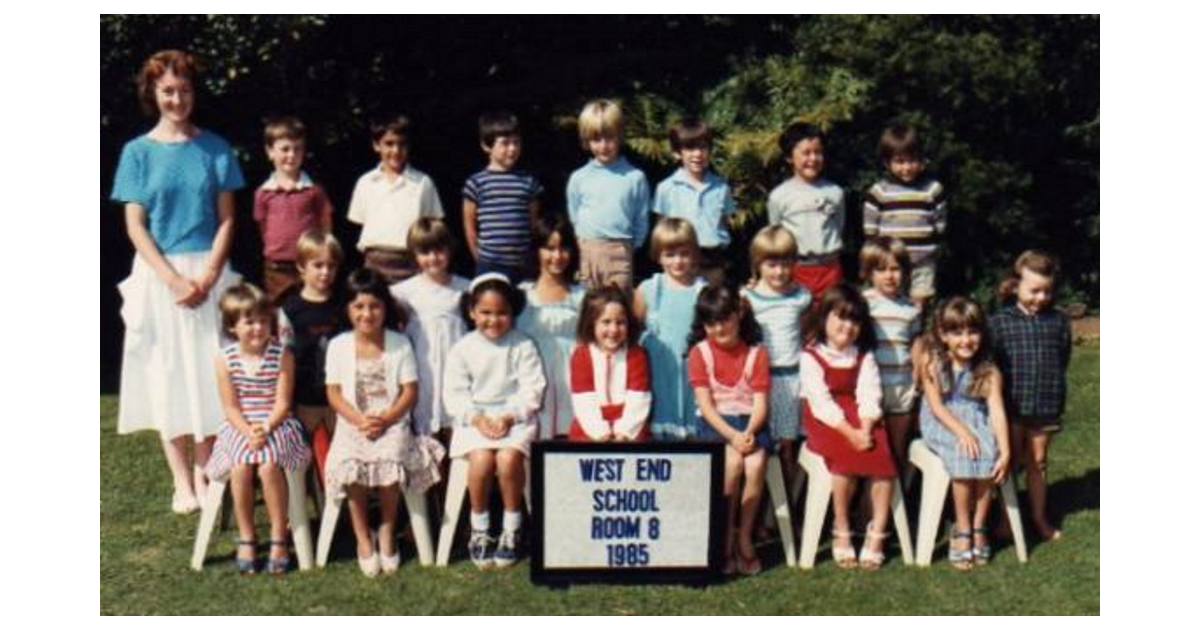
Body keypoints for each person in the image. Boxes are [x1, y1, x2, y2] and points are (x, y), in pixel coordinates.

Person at [110, 49, 245, 514]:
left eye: (184, 89)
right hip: (160, 276)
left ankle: (209, 472)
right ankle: (181, 482)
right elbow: (135, 225)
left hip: (210, 272)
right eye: (168, 90)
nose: (177, 99)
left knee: (209, 371)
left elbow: (228, 219)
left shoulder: (216, 148)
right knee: (167, 373)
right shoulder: (137, 153)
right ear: (153, 93)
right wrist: (172, 280)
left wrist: (207, 275)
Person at [323, 269, 445, 577]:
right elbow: (334, 393)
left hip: (392, 420)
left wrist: (387, 418)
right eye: (359, 306)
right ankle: (363, 534)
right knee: (350, 464)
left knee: (391, 460)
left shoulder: (399, 343)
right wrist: (359, 420)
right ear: (347, 309)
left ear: (385, 308)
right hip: (353, 421)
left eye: (374, 306)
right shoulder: (338, 345)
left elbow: (409, 391)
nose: (367, 314)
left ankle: (388, 528)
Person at [206, 283, 312, 574]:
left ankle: (279, 535)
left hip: (276, 423)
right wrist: (247, 430)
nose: (257, 328)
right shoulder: (224, 359)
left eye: (263, 321)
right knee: (240, 465)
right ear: (232, 326)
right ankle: (247, 535)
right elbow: (230, 407)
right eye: (249, 322)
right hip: (239, 425)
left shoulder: (282, 355)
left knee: (268, 465)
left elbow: (283, 402)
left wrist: (265, 427)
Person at [443, 274, 547, 569]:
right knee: (480, 460)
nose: (493, 320)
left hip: (514, 420)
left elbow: (532, 389)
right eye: (485, 312)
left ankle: (512, 527)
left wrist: (509, 416)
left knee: (508, 459)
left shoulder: (523, 345)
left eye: (502, 313)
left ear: (513, 312)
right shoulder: (463, 348)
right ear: (471, 312)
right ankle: (480, 528)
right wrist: (477, 419)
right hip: (475, 421)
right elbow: (454, 394)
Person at [800, 285, 896, 570]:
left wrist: (865, 428)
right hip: (827, 420)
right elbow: (820, 402)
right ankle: (841, 525)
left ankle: (878, 530)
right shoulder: (811, 355)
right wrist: (850, 434)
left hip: (860, 415)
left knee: (881, 458)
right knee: (843, 461)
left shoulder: (863, 356)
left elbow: (869, 393)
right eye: (840, 317)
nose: (848, 326)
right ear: (824, 318)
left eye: (855, 321)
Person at [918, 297, 1011, 570]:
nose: (966, 340)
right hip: (943, 420)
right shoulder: (932, 362)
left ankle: (979, 526)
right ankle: (962, 525)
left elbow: (996, 411)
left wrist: (1005, 451)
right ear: (943, 335)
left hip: (976, 418)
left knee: (988, 452)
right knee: (963, 453)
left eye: (972, 332)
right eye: (957, 333)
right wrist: (962, 432)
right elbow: (936, 406)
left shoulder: (988, 371)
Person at [688, 284, 771, 575]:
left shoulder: (757, 353)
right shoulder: (699, 353)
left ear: (739, 314)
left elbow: (760, 404)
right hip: (717, 425)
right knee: (732, 463)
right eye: (711, 322)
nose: (719, 328)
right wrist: (732, 436)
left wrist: (747, 432)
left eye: (725, 319)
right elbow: (706, 407)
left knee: (756, 463)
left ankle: (744, 536)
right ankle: (724, 537)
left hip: (750, 423)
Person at [989, 250, 1072, 542]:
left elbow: (1063, 358)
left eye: (1047, 291)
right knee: (1010, 463)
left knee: (1038, 462)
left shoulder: (1058, 321)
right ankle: (1006, 520)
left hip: (1046, 404)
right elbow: (992, 367)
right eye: (1034, 290)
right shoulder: (999, 322)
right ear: (1015, 286)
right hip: (1011, 407)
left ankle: (1038, 518)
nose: (1041, 297)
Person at [742, 225, 812, 490]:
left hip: (790, 377)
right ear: (758, 264)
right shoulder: (748, 298)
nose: (779, 272)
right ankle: (757, 502)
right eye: (772, 265)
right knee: (758, 442)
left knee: (787, 445)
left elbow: (806, 330)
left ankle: (785, 504)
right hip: (758, 380)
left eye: (785, 264)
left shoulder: (801, 296)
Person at [389, 218, 469, 442]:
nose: (433, 258)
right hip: (423, 364)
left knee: (455, 417)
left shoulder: (464, 288)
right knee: (426, 415)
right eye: (425, 252)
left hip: (455, 363)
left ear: (449, 250)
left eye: (439, 250)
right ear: (414, 254)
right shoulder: (403, 291)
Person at [277, 229, 345, 485]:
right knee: (300, 455)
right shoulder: (290, 310)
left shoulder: (344, 305)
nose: (325, 272)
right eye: (318, 265)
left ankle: (342, 500)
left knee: (341, 454)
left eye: (331, 266)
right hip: (304, 399)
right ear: (301, 266)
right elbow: (285, 358)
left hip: (339, 399)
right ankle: (297, 501)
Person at [347, 114, 444, 284]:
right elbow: (358, 223)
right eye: (389, 144)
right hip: (374, 262)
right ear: (376, 145)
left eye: (402, 144)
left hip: (411, 263)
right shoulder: (366, 182)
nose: (396, 151)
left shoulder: (422, 182)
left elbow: (432, 229)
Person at [566, 99, 651, 292]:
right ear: (586, 140)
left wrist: (630, 246)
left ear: (620, 136)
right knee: (589, 303)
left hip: (620, 251)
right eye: (596, 139)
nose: (603, 146)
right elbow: (575, 213)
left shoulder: (634, 177)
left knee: (619, 303)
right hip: (588, 250)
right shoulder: (579, 177)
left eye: (610, 138)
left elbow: (641, 218)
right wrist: (583, 240)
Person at [634, 218, 706, 440]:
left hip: (692, 370)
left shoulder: (702, 291)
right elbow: (635, 329)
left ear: (694, 254)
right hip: (658, 370)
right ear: (658, 255)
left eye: (684, 254)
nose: (678, 261)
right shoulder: (648, 289)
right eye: (670, 254)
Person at [862, 123, 947, 308]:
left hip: (922, 262)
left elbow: (939, 224)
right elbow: (871, 230)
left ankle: (916, 325)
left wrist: (932, 246)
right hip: (890, 264)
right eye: (900, 162)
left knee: (918, 304)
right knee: (889, 302)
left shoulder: (932, 189)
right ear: (887, 163)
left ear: (922, 160)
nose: (907, 167)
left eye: (912, 160)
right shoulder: (879, 192)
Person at [516, 214, 587, 438]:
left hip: (572, 378)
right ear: (537, 251)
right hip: (533, 377)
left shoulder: (582, 295)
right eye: (549, 248)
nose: (557, 256)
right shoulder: (521, 295)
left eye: (563, 248)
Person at [253, 115, 335, 304]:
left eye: (297, 149)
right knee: (279, 309)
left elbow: (326, 226)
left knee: (312, 306)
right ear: (270, 152)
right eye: (285, 149)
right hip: (276, 267)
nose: (291, 155)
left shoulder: (314, 190)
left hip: (309, 264)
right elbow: (263, 228)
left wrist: (322, 256)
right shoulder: (263, 193)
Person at [860, 237, 924, 466]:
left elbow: (916, 343)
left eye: (895, 269)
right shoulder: (863, 303)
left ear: (905, 272)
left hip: (901, 385)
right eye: (881, 269)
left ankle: (899, 486)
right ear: (869, 272)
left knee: (898, 450)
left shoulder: (911, 308)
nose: (889, 276)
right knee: (872, 449)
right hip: (871, 386)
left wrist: (918, 376)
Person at [652, 117, 736, 286]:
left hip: (712, 260)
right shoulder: (666, 188)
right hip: (679, 260)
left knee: (713, 301)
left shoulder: (721, 187)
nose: (697, 154)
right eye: (690, 148)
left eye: (703, 147)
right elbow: (661, 229)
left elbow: (724, 223)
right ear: (677, 152)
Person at [767, 122, 845, 301]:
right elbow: (775, 237)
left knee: (831, 312)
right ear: (789, 157)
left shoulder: (835, 192)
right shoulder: (779, 196)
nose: (813, 158)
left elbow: (839, 227)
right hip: (796, 270)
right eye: (806, 153)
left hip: (830, 269)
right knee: (801, 315)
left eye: (818, 152)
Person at [462, 111, 544, 281]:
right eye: (505, 143)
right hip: (489, 264)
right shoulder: (476, 183)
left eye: (516, 142)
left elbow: (533, 224)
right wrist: (479, 259)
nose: (512, 148)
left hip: (522, 264)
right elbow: (470, 227)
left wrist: (531, 257)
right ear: (487, 146)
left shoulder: (528, 182)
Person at [568, 286, 652, 442]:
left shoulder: (636, 355)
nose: (613, 329)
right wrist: (601, 434)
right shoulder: (581, 356)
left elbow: (639, 397)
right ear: (591, 323)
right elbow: (583, 399)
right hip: (590, 429)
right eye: (606, 322)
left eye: (620, 322)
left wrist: (624, 433)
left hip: (630, 429)